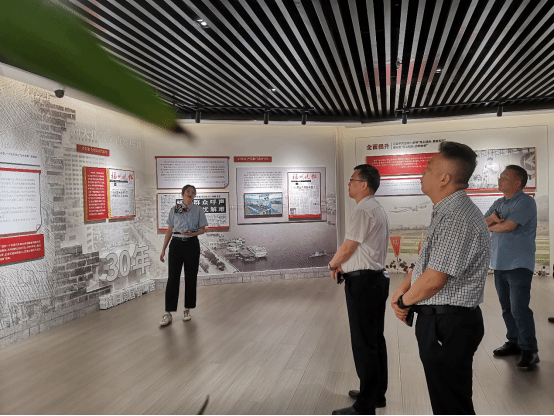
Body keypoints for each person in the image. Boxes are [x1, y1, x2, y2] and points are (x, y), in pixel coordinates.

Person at [391, 141, 490, 415]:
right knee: (447, 399)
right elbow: (428, 263)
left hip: (448, 324)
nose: (422, 172)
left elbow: (435, 279)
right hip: (444, 321)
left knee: (451, 405)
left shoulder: (456, 217)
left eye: (428, 167)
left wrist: (404, 302)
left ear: (444, 178)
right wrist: (403, 291)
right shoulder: (446, 212)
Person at [330, 164, 390, 416]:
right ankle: (375, 393)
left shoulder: (363, 210)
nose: (349, 184)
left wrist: (333, 264)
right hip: (375, 280)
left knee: (364, 342)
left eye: (352, 180)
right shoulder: (376, 208)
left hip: (363, 283)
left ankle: (365, 405)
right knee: (375, 339)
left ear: (364, 184)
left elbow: (348, 246)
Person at [485, 165, 539, 367]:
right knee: (507, 307)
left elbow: (508, 226)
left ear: (518, 183)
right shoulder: (498, 203)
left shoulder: (525, 202)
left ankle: (529, 349)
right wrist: (491, 221)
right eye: (500, 176)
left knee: (519, 308)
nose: (500, 179)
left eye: (505, 177)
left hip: (519, 264)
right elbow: (482, 223)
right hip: (500, 263)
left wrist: (492, 224)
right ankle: (514, 342)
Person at [159, 185, 208, 326]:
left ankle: (187, 309)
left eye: (193, 192)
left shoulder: (198, 210)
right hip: (176, 244)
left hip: (192, 244)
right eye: (188, 191)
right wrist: (163, 249)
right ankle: (168, 312)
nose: (190, 194)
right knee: (172, 278)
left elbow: (202, 229)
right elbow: (169, 230)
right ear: (182, 194)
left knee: (191, 277)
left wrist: (193, 233)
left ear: (194, 196)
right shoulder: (175, 209)